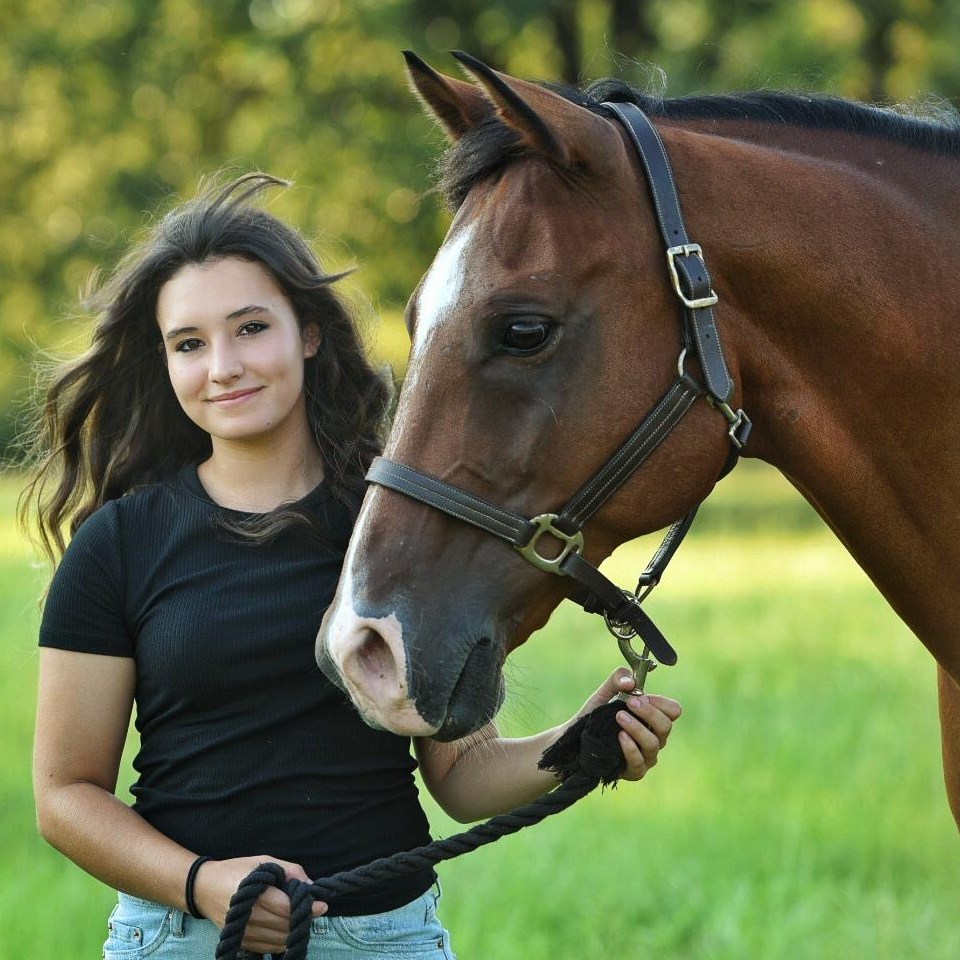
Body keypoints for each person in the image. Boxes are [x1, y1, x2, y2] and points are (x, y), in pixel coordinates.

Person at [25, 173, 682, 959]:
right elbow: (66, 796)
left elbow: (462, 774)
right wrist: (201, 883)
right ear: (166, 363)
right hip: (185, 938)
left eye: (251, 328)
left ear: (307, 333)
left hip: (385, 939)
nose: (224, 365)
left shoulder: (397, 529)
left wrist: (577, 742)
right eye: (190, 344)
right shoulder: (119, 546)